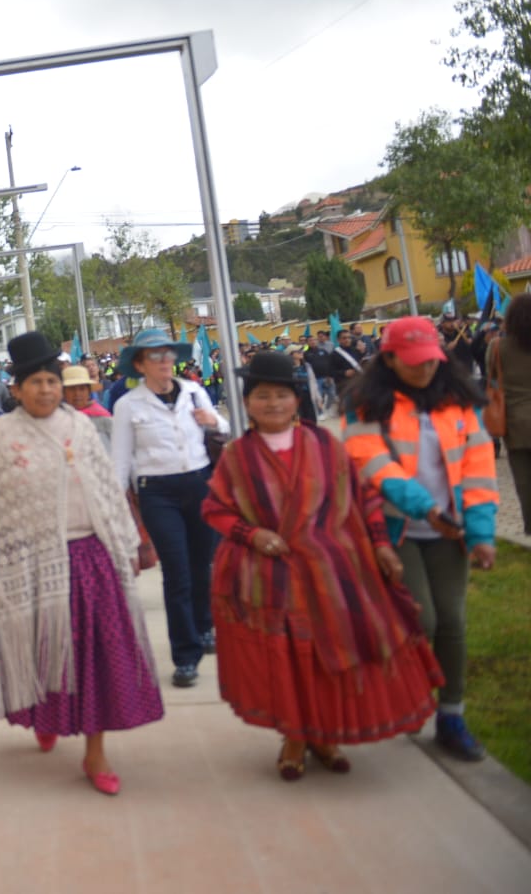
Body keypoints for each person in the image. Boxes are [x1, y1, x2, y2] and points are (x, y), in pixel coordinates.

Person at [201, 351, 442, 781]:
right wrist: (253, 535)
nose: (271, 403)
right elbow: (216, 509)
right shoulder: (237, 456)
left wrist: (382, 546)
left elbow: (364, 498)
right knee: (290, 660)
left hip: (332, 571)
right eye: (261, 396)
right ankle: (295, 737)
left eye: (280, 395)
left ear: (296, 401)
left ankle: (323, 735)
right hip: (271, 576)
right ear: (247, 402)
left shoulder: (325, 446)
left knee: (326, 656)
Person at [0, 332, 164, 796]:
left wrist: (126, 544)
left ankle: (96, 752)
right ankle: (43, 714)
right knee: (43, 649)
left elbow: (108, 489)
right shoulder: (0, 434)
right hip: (30, 562)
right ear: (16, 390)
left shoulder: (81, 428)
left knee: (98, 656)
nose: (47, 390)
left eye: (52, 381)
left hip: (91, 558)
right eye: (36, 382)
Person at [342, 316, 498, 761]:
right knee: (421, 620)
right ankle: (395, 696)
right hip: (396, 529)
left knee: (452, 622)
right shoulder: (365, 403)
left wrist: (481, 532)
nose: (424, 369)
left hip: (450, 532)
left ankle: (451, 716)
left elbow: (479, 468)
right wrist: (426, 508)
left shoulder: (459, 403)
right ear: (389, 359)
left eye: (430, 361)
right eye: (413, 362)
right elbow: (373, 463)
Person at [110, 327, 230, 688]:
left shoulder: (194, 393)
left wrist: (215, 422)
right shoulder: (127, 405)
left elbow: (225, 431)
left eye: (167, 355)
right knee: (177, 571)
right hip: (157, 492)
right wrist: (118, 507)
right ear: (140, 365)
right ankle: (185, 654)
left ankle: (205, 626)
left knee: (202, 565)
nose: (164, 361)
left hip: (199, 483)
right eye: (154, 356)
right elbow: (120, 462)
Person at [492, 295, 531, 532]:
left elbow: (493, 378)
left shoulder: (497, 347)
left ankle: (529, 527)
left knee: (524, 482)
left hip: (514, 423)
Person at [63, 365, 112, 447]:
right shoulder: (58, 419)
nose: (77, 394)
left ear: (89, 392)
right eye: (72, 389)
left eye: (82, 389)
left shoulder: (102, 419)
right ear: (64, 392)